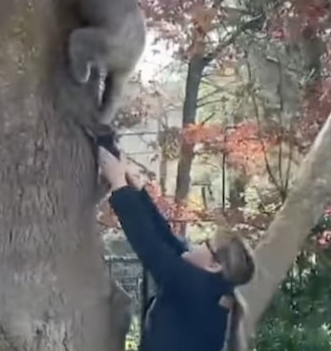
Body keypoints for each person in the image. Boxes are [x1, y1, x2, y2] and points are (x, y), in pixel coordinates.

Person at [97, 147, 255, 351]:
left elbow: (150, 245)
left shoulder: (195, 289)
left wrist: (119, 184)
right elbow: (166, 238)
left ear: (214, 265)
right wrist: (136, 192)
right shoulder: (209, 289)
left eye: (206, 244)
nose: (196, 245)